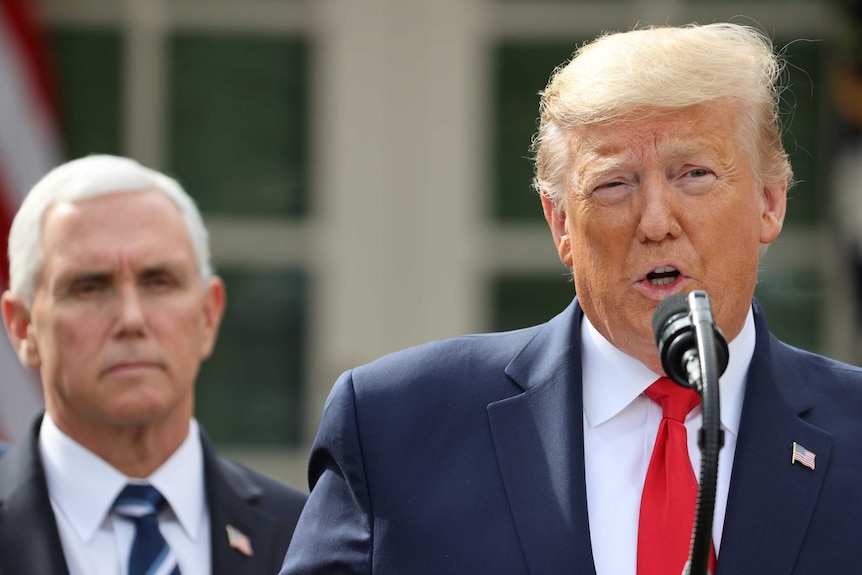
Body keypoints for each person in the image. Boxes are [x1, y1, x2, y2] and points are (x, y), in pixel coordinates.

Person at [281, 22, 862, 575]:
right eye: (614, 184)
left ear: (770, 202)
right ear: (560, 222)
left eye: (695, 174)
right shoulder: (395, 426)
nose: (656, 221)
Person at [0, 155, 307, 575]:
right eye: (90, 287)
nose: (131, 319)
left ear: (209, 315)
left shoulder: (306, 538)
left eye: (159, 282)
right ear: (22, 328)